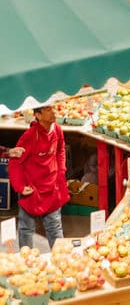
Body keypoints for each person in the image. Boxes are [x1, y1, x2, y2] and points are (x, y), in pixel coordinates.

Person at [9, 105, 68, 249]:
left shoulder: (57, 130)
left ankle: (60, 261)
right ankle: (26, 262)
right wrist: (20, 187)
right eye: (48, 110)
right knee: (26, 229)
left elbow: (60, 150)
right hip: (32, 189)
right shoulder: (30, 136)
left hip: (52, 187)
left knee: (55, 227)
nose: (53, 112)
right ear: (38, 115)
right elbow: (15, 163)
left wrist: (61, 171)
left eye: (53, 108)